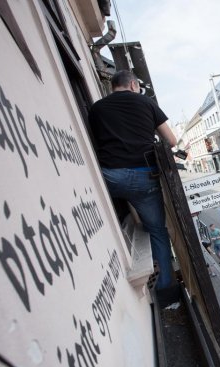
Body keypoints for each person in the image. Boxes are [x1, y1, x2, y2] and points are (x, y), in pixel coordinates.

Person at [89, 70, 177, 290]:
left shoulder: (97, 108)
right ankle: (164, 287)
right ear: (133, 85)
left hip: (109, 176)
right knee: (157, 230)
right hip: (143, 177)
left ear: (113, 87)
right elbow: (172, 141)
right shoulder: (145, 103)